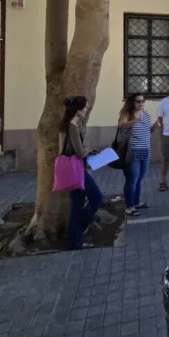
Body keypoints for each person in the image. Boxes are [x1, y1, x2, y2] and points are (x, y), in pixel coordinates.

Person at [59, 96, 104, 251]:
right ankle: (81, 226)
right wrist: (89, 150)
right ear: (77, 110)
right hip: (76, 169)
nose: (86, 110)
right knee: (97, 198)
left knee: (77, 205)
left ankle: (75, 241)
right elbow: (78, 151)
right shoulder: (72, 127)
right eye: (85, 107)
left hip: (69, 169)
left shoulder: (64, 125)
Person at [117, 93, 153, 217]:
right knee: (132, 179)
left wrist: (155, 127)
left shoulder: (147, 115)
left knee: (139, 179)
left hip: (145, 151)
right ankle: (129, 207)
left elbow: (148, 132)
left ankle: (136, 203)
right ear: (132, 102)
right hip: (131, 153)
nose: (141, 103)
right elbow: (121, 126)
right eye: (138, 101)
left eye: (143, 101)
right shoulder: (127, 115)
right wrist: (134, 121)